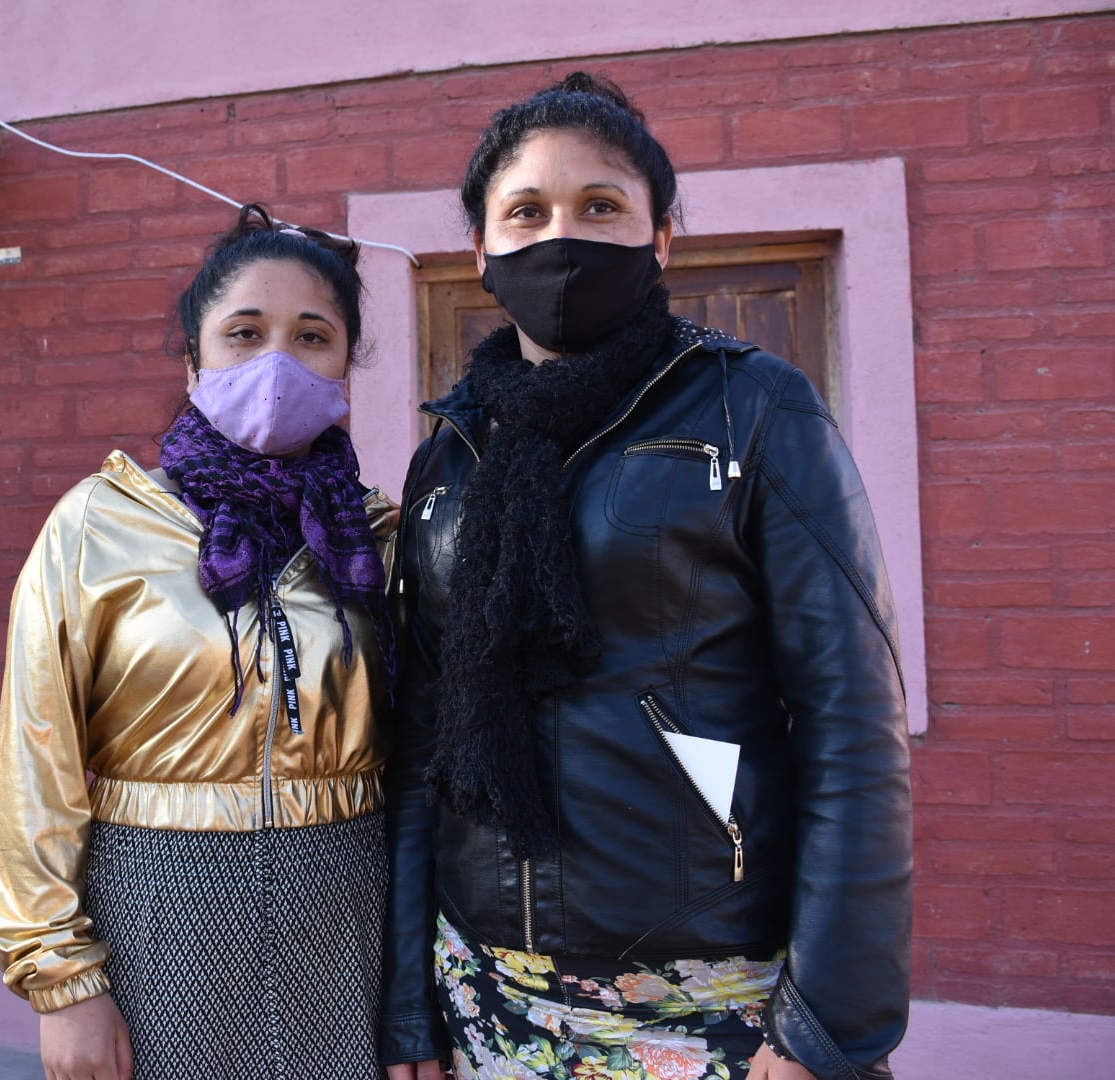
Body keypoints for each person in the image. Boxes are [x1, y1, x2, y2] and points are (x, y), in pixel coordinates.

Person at [381, 73, 912, 1080]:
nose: (561, 237)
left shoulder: (754, 409)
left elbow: (851, 721)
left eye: (600, 206)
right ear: (481, 250)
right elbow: (423, 743)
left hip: (711, 991)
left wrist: (828, 1023)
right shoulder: (449, 455)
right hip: (485, 992)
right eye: (527, 211)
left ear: (661, 236)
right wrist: (409, 1004)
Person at [0, 204, 398, 1080]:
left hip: (348, 912)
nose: (277, 362)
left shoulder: (376, 540)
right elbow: (36, 758)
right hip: (157, 915)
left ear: (346, 367)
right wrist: (61, 982)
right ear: (192, 360)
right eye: (244, 333)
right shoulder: (98, 525)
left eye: (312, 337)